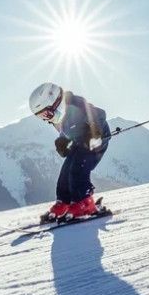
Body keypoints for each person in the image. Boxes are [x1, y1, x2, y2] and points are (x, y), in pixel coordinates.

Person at [28, 82, 111, 221]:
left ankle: (85, 203)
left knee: (78, 169)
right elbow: (66, 131)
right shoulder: (58, 117)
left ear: (55, 101)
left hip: (95, 141)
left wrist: (94, 131)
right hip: (79, 143)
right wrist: (63, 142)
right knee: (65, 172)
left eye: (46, 113)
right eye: (41, 116)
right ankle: (64, 203)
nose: (46, 118)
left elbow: (100, 114)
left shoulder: (76, 104)